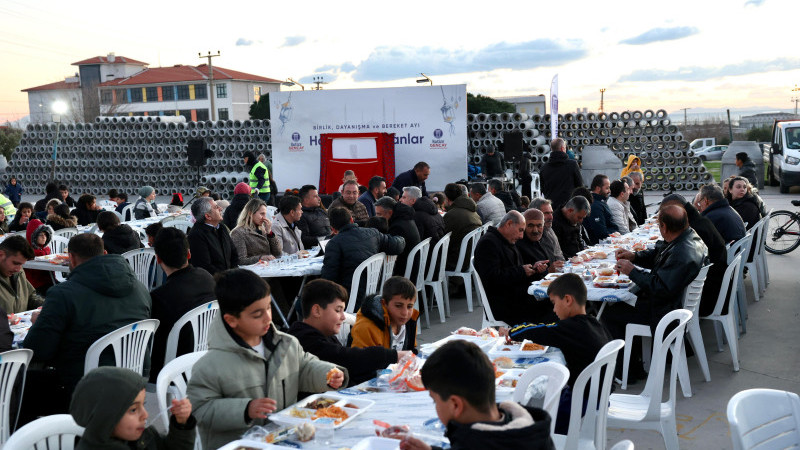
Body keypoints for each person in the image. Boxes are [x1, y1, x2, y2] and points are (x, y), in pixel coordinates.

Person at [186, 269, 346, 450]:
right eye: (257, 314)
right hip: (239, 445)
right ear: (231, 320)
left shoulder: (286, 344)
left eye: (269, 307)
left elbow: (303, 366)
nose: (268, 318)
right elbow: (198, 410)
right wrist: (245, 410)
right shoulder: (211, 366)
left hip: (287, 440)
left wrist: (327, 373)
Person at [22, 233, 151, 419]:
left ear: (71, 258)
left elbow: (38, 350)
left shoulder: (63, 294)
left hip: (81, 384)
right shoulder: (140, 288)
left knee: (18, 383)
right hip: (133, 376)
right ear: (105, 253)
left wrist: (38, 325)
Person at [602, 206, 707, 379]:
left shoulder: (682, 253)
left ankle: (627, 371)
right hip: (671, 304)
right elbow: (660, 255)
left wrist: (632, 272)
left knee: (611, 314)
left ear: (664, 227)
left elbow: (660, 288)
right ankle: (633, 361)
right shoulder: (687, 237)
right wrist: (634, 257)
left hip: (665, 312)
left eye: (659, 226)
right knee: (623, 304)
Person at [399, 340, 555, 450]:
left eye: (435, 402)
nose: (435, 407)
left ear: (455, 405)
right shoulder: (530, 429)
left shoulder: (472, 442)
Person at [506, 273, 612, 434]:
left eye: (554, 303)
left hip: (582, 399)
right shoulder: (594, 322)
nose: (554, 310)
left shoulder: (570, 328)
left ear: (568, 300)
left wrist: (510, 331)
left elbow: (539, 330)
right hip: (600, 394)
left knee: (540, 426)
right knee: (549, 399)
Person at [288, 279, 408, 385]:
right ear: (317, 311)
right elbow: (346, 357)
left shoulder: (324, 334)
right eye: (338, 310)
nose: (343, 317)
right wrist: (392, 356)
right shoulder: (304, 340)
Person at [71, 366, 196, 450]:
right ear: (106, 416)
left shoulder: (143, 437)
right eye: (133, 410)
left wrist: (182, 424)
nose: (145, 415)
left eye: (143, 404)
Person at [149, 227, 216, 382]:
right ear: (188, 253)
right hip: (207, 357)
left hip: (173, 369)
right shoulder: (206, 277)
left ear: (158, 259)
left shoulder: (159, 297)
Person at [660, 194, 728, 317]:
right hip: (713, 286)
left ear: (679, 209)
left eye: (666, 213)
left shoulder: (696, 228)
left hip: (706, 297)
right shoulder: (698, 221)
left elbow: (675, 273)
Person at [473, 211, 545, 324]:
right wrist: (522, 271)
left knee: (556, 300)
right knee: (552, 308)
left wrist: (533, 269)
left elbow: (514, 269)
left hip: (517, 296)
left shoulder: (506, 240)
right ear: (509, 223)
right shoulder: (488, 243)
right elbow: (492, 278)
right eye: (520, 230)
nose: (522, 236)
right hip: (505, 304)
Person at [320, 207, 404, 300]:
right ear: (351, 220)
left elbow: (328, 279)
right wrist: (400, 237)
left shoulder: (334, 243)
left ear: (333, 229)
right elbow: (398, 245)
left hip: (349, 297)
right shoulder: (373, 233)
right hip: (374, 290)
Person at [351, 276, 419, 352]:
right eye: (398, 306)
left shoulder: (410, 321)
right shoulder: (367, 326)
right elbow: (362, 359)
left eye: (409, 306)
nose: (405, 313)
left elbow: (411, 350)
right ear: (384, 303)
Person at [187, 197, 238, 275]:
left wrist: (233, 273)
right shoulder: (196, 235)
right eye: (216, 207)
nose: (220, 209)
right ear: (208, 216)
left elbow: (233, 253)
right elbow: (205, 267)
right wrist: (226, 278)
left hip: (229, 277)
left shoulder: (221, 227)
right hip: (213, 282)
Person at [375, 196, 421, 277]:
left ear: (390, 213)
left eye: (379, 214)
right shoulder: (405, 218)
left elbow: (389, 252)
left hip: (403, 273)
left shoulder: (397, 227)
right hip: (412, 267)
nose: (376, 217)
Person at [230, 198, 282, 265]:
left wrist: (270, 233)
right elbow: (241, 260)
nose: (264, 218)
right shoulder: (238, 233)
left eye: (265, 214)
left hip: (268, 269)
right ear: (250, 213)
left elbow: (278, 253)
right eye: (262, 214)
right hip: (252, 273)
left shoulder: (263, 230)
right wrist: (260, 258)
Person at [442, 182, 482, 271]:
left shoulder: (452, 215)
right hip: (472, 257)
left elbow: (443, 240)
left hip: (458, 261)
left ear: (447, 198)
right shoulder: (473, 211)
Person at [0, 235, 43, 313]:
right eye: (15, 263)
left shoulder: (18, 272)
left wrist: (47, 305)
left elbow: (30, 296)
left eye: (21, 265)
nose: (18, 269)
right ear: (1, 255)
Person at [540, 138, 584, 209]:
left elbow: (543, 189)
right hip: (569, 207)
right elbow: (580, 186)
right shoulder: (572, 165)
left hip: (552, 207)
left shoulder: (544, 168)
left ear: (551, 149)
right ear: (563, 148)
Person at [516, 208, 564, 274]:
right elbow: (521, 277)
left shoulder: (547, 237)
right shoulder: (518, 245)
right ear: (523, 226)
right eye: (530, 226)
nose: (535, 230)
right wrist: (547, 271)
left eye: (539, 226)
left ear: (543, 225)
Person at [583, 175, 617, 244]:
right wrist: (614, 233)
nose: (609, 191)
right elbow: (601, 232)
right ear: (598, 188)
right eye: (607, 188)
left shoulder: (600, 201)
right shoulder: (595, 205)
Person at [530, 198, 565, 263]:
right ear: (535, 214)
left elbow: (558, 254)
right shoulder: (528, 235)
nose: (551, 217)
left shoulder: (549, 229)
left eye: (551, 213)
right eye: (546, 213)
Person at [296, 184, 331, 249]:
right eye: (315, 196)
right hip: (315, 251)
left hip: (331, 245)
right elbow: (303, 239)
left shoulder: (321, 211)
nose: (319, 198)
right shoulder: (300, 215)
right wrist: (324, 239)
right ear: (306, 200)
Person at [25, 218, 53, 294]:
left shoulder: (46, 249)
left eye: (45, 234)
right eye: (41, 235)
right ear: (33, 237)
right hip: (36, 284)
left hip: (48, 280)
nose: (44, 237)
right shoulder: (29, 251)